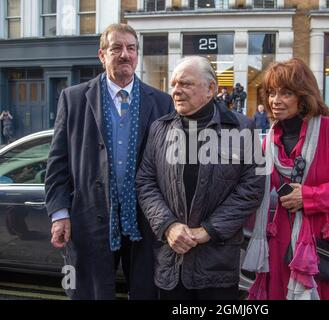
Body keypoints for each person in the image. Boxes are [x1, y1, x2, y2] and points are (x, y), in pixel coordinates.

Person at [44, 23, 174, 300]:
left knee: (147, 293)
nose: (125, 54)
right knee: (88, 292)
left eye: (131, 48)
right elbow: (58, 162)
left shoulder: (163, 103)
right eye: (116, 48)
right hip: (89, 220)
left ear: (137, 55)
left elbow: (171, 167)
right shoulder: (74, 98)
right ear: (102, 55)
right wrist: (59, 213)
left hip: (145, 222)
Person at [136, 56, 265, 300]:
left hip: (217, 264)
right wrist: (169, 226)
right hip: (172, 262)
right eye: (174, 84)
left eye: (185, 84)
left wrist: (208, 230)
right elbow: (145, 182)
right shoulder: (159, 129)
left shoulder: (242, 129)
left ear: (210, 89)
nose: (176, 91)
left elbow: (253, 187)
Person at [243, 58, 329, 300]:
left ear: (303, 96)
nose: (275, 100)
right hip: (282, 237)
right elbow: (252, 183)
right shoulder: (269, 139)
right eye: (271, 93)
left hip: (326, 237)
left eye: (286, 93)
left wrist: (309, 196)